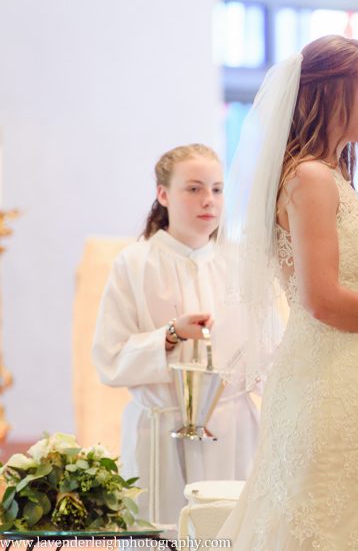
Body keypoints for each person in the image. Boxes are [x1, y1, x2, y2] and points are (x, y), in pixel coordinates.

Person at [216, 35, 358, 551]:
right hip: (329, 378)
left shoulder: (328, 174)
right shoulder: (311, 177)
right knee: (326, 516)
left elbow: (333, 281)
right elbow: (319, 298)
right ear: (336, 91)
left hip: (347, 372)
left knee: (347, 510)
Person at [92, 144, 259, 526]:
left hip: (231, 431)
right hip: (159, 429)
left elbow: (270, 352)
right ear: (163, 194)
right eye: (195, 188)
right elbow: (109, 358)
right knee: (162, 530)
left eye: (217, 189)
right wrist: (169, 335)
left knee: (229, 531)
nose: (209, 200)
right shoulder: (134, 264)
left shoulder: (241, 263)